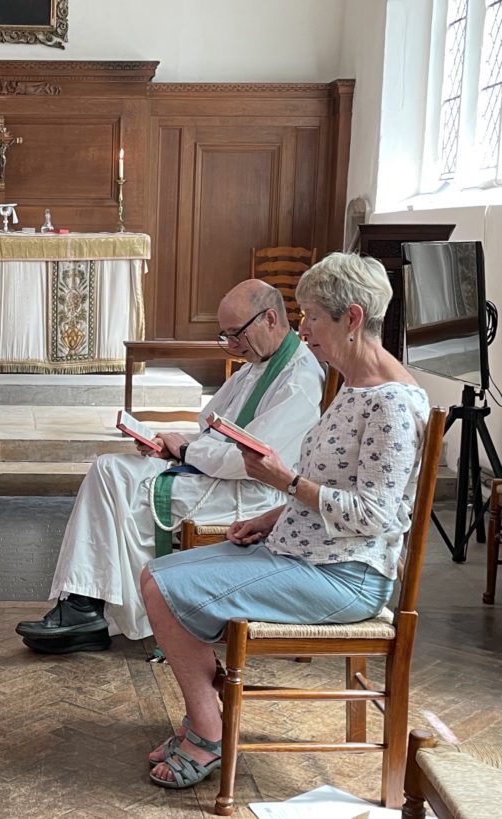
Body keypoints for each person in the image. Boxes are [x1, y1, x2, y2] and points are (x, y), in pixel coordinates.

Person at [139, 253, 430, 790]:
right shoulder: (353, 383)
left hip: (346, 576)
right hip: (302, 549)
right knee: (159, 577)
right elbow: (338, 484)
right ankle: (206, 719)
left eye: (312, 315)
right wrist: (274, 516)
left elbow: (377, 516)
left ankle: (207, 733)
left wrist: (285, 484)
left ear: (353, 317)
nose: (302, 327)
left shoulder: (390, 404)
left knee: (161, 584)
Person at [16, 279, 325, 652]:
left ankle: (88, 608)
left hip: (247, 495)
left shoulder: (299, 378)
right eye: (224, 336)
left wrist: (185, 452)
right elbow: (215, 430)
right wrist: (173, 447)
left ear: (270, 319)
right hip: (216, 475)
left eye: (236, 334)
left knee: (114, 477)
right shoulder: (257, 364)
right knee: (109, 468)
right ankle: (84, 606)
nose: (232, 345)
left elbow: (249, 460)